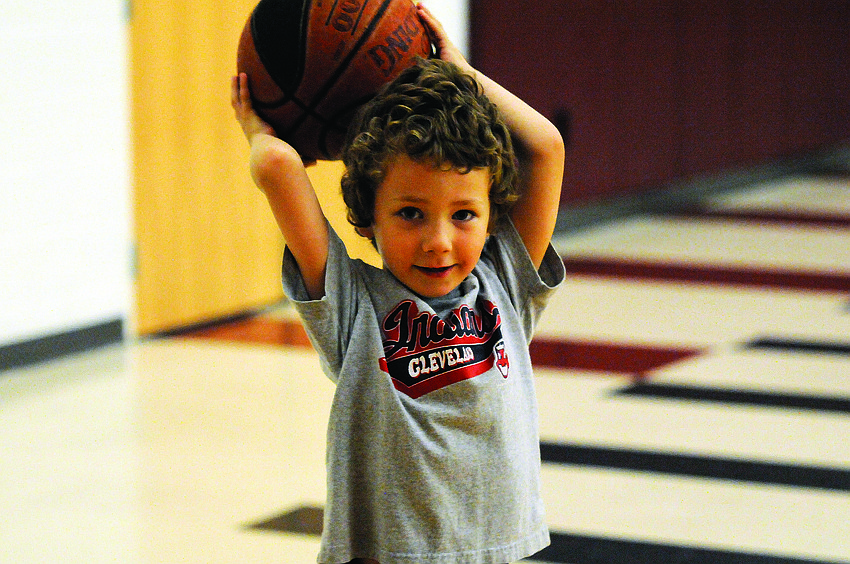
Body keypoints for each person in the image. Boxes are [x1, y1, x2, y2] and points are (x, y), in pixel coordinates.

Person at [231, 5, 565, 563]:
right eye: (411, 214)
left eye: (463, 215)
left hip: (495, 551)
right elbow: (277, 168)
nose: (438, 241)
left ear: (492, 217)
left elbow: (545, 147)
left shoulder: (505, 283)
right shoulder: (351, 305)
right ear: (367, 218)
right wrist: (257, 128)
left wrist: (462, 75)